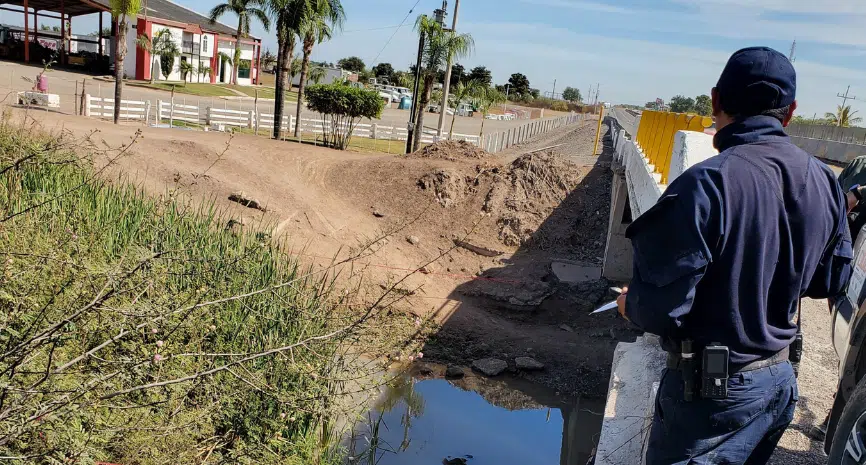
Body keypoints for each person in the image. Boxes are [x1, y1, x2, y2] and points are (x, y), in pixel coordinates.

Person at [616, 46, 853, 465]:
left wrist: (628, 303)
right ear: (791, 111)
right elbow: (829, 283)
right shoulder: (824, 182)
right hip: (777, 383)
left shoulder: (705, 185)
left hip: (712, 400)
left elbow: (660, 309)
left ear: (715, 100)